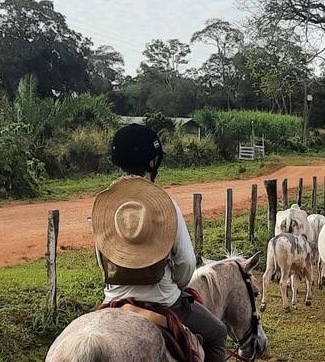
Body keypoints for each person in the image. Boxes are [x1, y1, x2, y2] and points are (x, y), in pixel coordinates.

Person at [93, 124, 227, 362]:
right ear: (153, 163)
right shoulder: (166, 206)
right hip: (164, 300)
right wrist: (177, 285)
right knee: (218, 334)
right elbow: (185, 263)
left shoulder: (105, 207)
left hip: (112, 300)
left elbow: (101, 259)